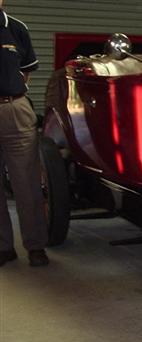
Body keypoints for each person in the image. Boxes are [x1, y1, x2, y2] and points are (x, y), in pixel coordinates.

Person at [0, 0, 49, 267]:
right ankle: (4, 247)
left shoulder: (16, 28)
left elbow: (27, 70)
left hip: (14, 112)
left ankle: (35, 246)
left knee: (27, 183)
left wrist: (12, 91)